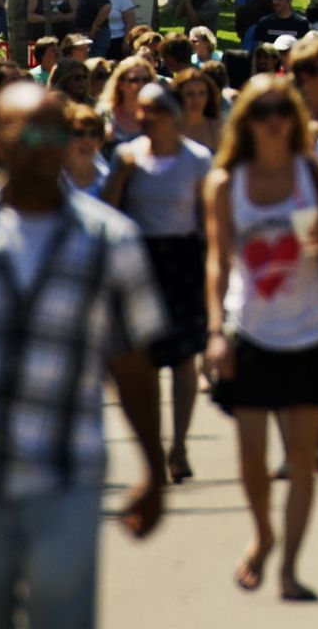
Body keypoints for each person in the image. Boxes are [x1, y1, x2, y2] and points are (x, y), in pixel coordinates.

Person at [0, 84, 168, 626]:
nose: (46, 148)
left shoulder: (109, 240)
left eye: (57, 134)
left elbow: (132, 366)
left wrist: (154, 470)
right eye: (31, 134)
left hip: (65, 472)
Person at [204, 76, 318, 600]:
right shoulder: (227, 183)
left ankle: (291, 568)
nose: (273, 120)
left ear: (294, 118)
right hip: (250, 327)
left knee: (299, 457)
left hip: (310, 329)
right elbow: (217, 260)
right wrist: (214, 332)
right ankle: (263, 535)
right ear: (245, 120)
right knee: (250, 456)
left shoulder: (316, 173)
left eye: (281, 110)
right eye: (261, 111)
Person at [103, 83, 215, 485]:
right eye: (143, 111)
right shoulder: (127, 155)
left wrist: (213, 263)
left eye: (156, 111)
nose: (147, 118)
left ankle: (179, 445)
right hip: (140, 261)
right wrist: (123, 175)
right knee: (143, 362)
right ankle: (150, 446)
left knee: (184, 358)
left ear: (173, 116)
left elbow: (209, 217)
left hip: (183, 259)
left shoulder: (197, 159)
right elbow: (108, 212)